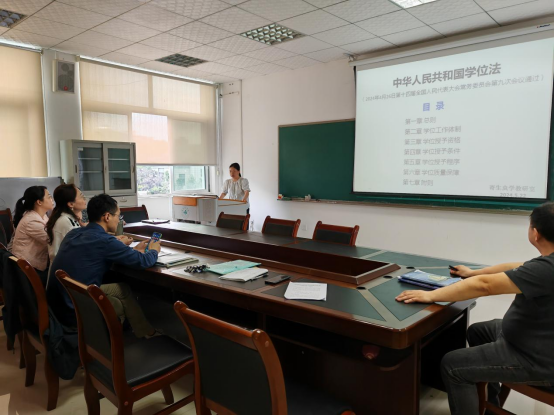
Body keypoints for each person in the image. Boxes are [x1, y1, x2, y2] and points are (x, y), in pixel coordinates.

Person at [395, 202, 554, 415]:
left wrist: (430, 295)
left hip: (537, 359)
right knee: (478, 332)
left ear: (535, 233)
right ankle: (491, 406)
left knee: (452, 365)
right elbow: (515, 267)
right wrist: (473, 272)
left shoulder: (546, 269)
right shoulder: (546, 262)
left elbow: (485, 286)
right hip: (532, 339)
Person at [47, 194, 161, 339]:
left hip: (60, 300)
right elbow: (143, 262)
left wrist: (132, 250)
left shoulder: (74, 233)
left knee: (123, 289)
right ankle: (112, 338)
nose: (119, 220)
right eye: (118, 216)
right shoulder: (105, 241)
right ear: (107, 216)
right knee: (119, 304)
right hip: (75, 306)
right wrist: (154, 250)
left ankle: (145, 332)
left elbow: (94, 252)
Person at [11, 186, 54, 285]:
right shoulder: (32, 220)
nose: (52, 200)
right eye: (49, 197)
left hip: (34, 265)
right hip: (28, 270)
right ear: (39, 202)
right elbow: (51, 240)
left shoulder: (42, 216)